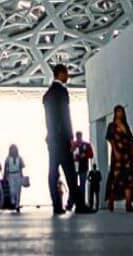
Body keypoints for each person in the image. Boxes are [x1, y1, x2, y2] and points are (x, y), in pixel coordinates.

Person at [43, 63, 91, 214]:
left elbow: (49, 119)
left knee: (53, 172)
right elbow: (65, 116)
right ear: (61, 74)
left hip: (52, 139)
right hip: (62, 139)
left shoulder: (48, 94)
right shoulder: (62, 92)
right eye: (67, 73)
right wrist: (70, 137)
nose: (68, 76)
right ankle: (80, 205)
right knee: (70, 173)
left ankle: (57, 206)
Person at [104, 104, 133, 211]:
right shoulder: (112, 126)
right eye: (118, 111)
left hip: (127, 155)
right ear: (115, 113)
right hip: (117, 154)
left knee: (129, 177)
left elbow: (131, 140)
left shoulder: (126, 126)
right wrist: (115, 150)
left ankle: (128, 203)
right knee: (116, 177)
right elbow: (111, 139)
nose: (120, 113)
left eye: (121, 111)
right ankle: (111, 200)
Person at [4, 143, 27, 212]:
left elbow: (21, 167)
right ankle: (13, 201)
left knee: (18, 191)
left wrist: (22, 176)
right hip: (10, 175)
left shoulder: (19, 158)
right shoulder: (8, 158)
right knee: (12, 190)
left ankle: (17, 205)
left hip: (18, 174)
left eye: (14, 149)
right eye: (12, 149)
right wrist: (4, 175)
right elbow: (5, 167)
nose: (13, 150)